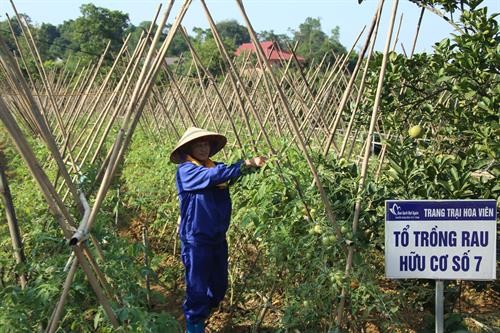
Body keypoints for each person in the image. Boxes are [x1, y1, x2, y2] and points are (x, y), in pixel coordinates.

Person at [170, 127, 266, 333]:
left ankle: (201, 314)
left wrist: (258, 166)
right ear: (189, 148)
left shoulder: (217, 167)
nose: (203, 148)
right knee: (196, 290)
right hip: (196, 238)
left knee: (219, 287)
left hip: (217, 237)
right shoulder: (187, 170)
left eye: (206, 144)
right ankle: (194, 325)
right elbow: (216, 175)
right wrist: (246, 163)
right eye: (198, 144)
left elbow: (228, 173)